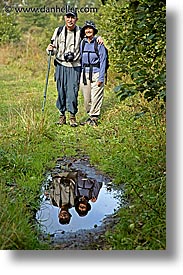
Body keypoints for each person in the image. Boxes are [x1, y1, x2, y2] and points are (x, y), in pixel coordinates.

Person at [46, 11, 103, 127]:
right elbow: (53, 47)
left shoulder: (80, 32)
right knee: (61, 91)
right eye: (68, 17)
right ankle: (62, 116)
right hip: (61, 65)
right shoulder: (58, 31)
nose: (70, 20)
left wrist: (99, 38)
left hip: (75, 66)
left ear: (76, 19)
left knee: (72, 92)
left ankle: (72, 116)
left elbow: (91, 38)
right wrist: (50, 49)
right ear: (64, 18)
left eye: (73, 18)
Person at [80, 21, 107, 126]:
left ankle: (94, 118)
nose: (88, 30)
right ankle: (90, 115)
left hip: (96, 73)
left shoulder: (99, 44)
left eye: (90, 28)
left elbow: (103, 60)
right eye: (86, 29)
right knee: (87, 99)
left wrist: (101, 77)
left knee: (96, 96)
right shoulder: (82, 43)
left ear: (94, 31)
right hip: (85, 74)